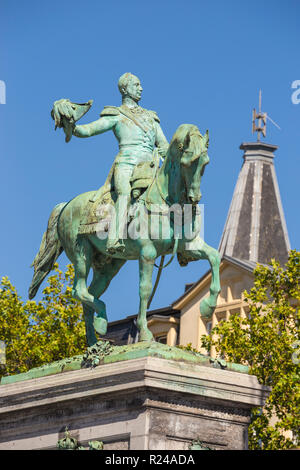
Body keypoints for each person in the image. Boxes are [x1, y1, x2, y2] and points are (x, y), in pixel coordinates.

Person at [72, 73, 169, 254]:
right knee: (124, 194)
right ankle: (114, 238)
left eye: (140, 85)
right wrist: (72, 126)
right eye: (137, 85)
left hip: (150, 166)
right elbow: (88, 130)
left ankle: (184, 242)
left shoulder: (151, 117)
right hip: (126, 164)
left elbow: (163, 144)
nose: (141, 88)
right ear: (125, 89)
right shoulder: (116, 114)